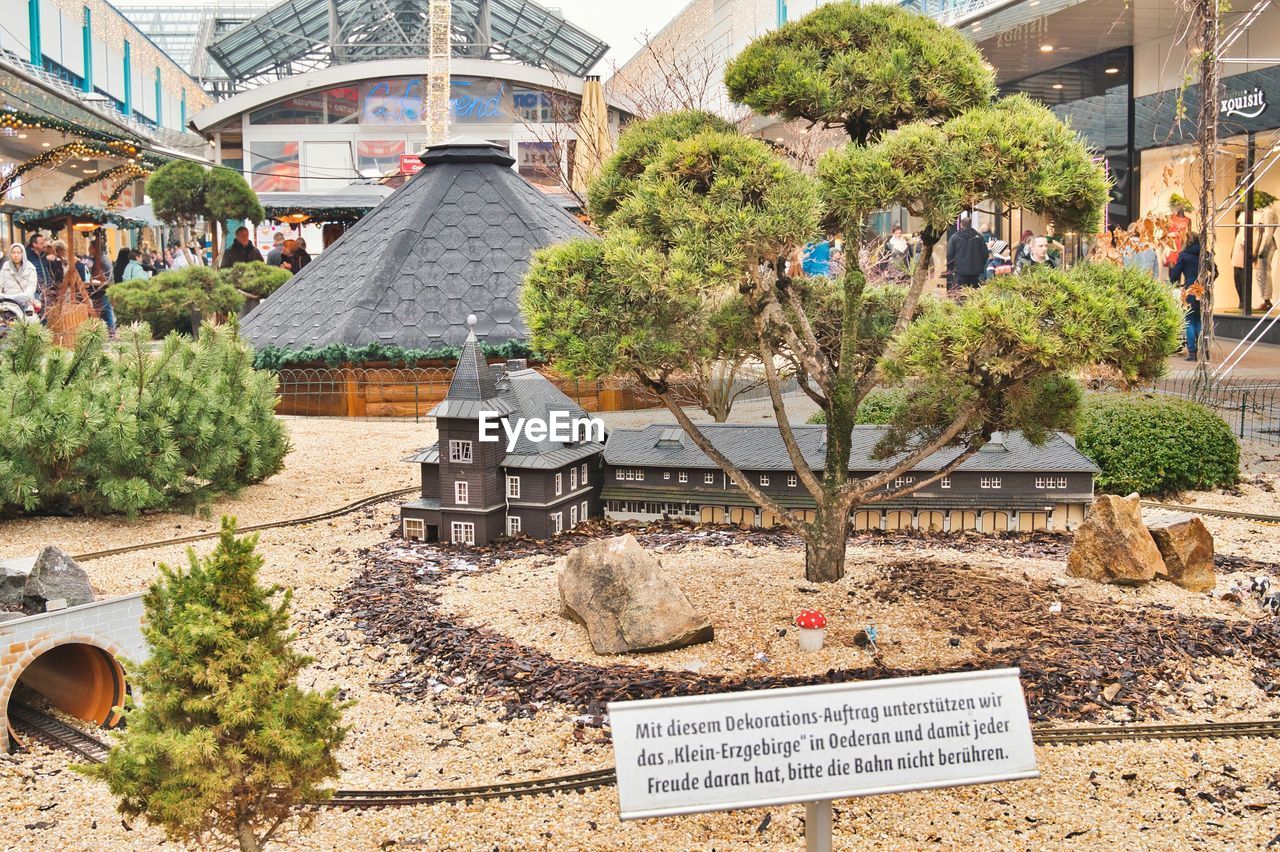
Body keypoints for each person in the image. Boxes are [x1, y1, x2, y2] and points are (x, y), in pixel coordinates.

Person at [1170, 232, 1205, 362]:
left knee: (1189, 320)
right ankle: (1203, 348)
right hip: (1203, 290)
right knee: (1200, 320)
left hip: (1190, 289)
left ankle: (1192, 352)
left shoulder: (1184, 255)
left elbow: (1174, 275)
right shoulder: (1204, 255)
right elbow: (1215, 271)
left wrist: (1176, 283)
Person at [945, 213, 988, 290]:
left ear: (961, 225)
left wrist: (951, 268)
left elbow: (949, 254)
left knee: (961, 292)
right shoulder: (979, 237)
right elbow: (985, 254)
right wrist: (980, 265)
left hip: (960, 270)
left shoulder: (955, 237)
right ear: (970, 224)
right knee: (974, 294)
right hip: (975, 271)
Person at [24, 233, 55, 304]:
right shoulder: (27, 255)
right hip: (35, 290)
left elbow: (50, 270)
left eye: (44, 242)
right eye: (41, 243)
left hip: (47, 289)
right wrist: (46, 259)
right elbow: (34, 267)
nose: (44, 244)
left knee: (48, 310)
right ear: (34, 244)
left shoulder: (43, 254)